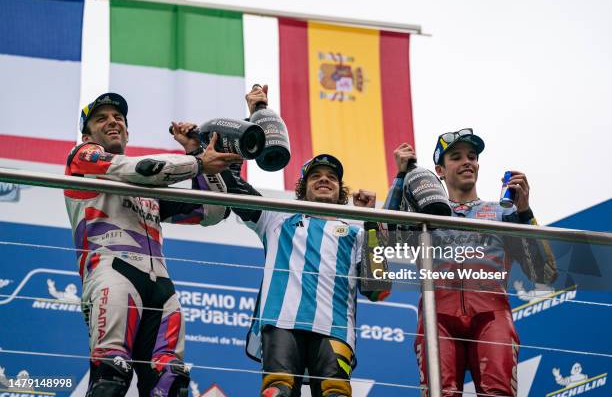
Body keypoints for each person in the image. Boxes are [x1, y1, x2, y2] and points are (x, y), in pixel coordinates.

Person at [64, 92, 242, 397]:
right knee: (111, 375)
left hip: (161, 286)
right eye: (101, 118)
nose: (112, 122)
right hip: (111, 271)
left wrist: (196, 149)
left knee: (171, 381)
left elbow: (212, 212)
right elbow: (139, 168)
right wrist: (198, 162)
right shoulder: (81, 158)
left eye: (118, 118)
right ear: (86, 134)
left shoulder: (148, 187)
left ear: (127, 131)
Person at [218, 87, 390, 397]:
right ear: (302, 188)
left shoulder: (356, 229)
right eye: (315, 176)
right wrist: (255, 117)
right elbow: (233, 185)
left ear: (341, 190)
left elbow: (379, 289)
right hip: (281, 322)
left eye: (331, 177)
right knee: (278, 393)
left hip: (335, 329)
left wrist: (371, 222)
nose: (324, 179)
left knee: (336, 394)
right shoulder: (276, 218)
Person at [386, 129, 557, 396]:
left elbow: (545, 272)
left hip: (492, 316)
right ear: (439, 170)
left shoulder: (503, 212)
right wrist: (400, 177)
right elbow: (387, 236)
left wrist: (525, 212)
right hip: (437, 316)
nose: (468, 162)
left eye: (472, 156)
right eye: (456, 157)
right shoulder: (426, 214)